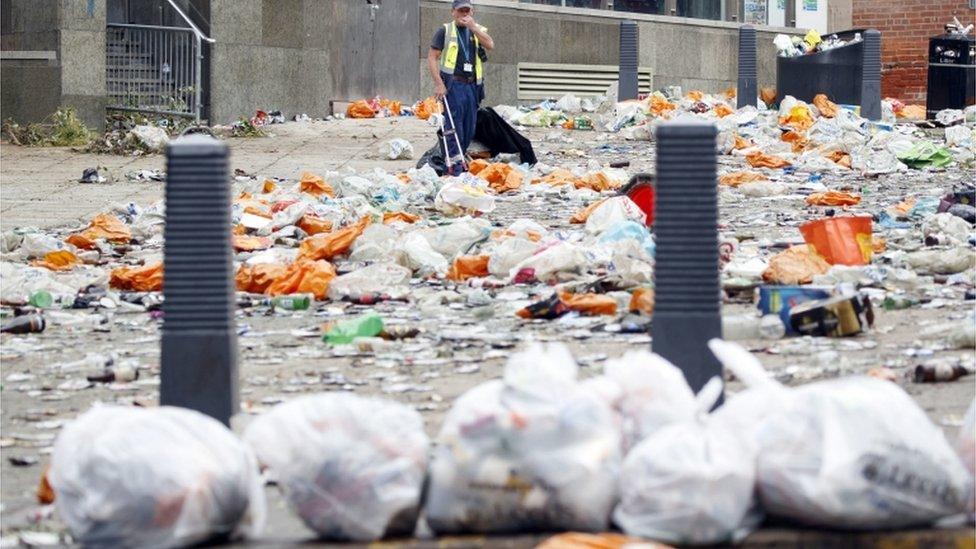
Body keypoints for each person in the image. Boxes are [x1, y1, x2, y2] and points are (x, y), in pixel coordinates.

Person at [427, 0, 494, 172]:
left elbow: (490, 45)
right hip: (454, 85)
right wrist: (439, 83)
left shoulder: (477, 30)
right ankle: (454, 167)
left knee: (469, 127)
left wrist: (474, 28)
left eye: (467, 10)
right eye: (460, 11)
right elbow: (432, 57)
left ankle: (460, 158)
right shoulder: (445, 31)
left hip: (472, 86)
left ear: (472, 11)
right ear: (453, 12)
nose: (464, 14)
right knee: (453, 126)